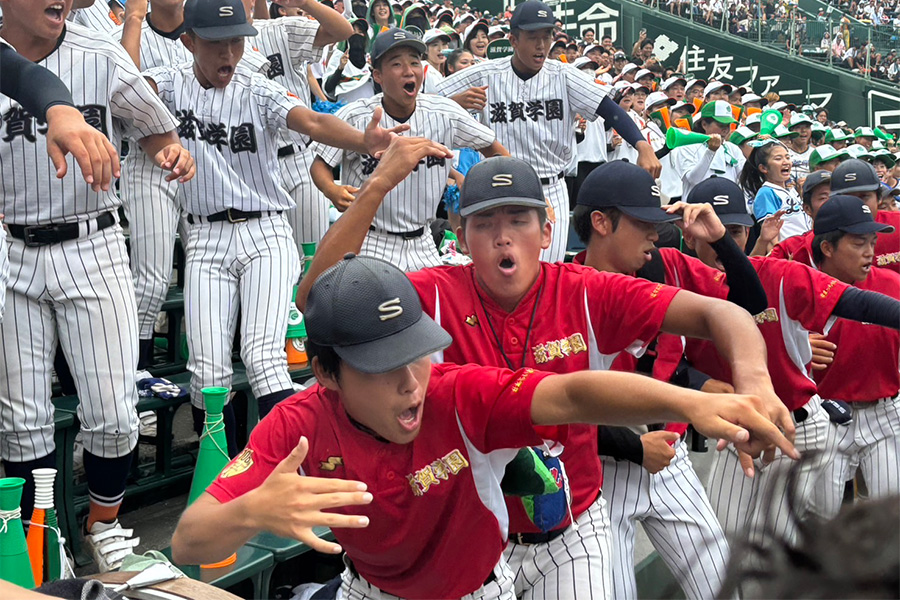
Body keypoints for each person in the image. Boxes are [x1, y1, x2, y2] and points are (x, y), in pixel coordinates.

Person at [293, 137, 797, 598]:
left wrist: (753, 382)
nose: (502, 238)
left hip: (572, 530)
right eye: (485, 223)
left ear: (545, 230)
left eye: (518, 220)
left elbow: (722, 313)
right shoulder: (435, 294)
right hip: (473, 539)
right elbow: (318, 299)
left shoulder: (584, 289)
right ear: (461, 238)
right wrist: (378, 185)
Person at [142, 0, 406, 428]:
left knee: (263, 358)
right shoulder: (170, 82)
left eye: (236, 41)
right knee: (207, 372)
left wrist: (362, 140)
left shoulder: (257, 86)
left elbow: (313, 123)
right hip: (206, 237)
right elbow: (126, 95)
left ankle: (277, 463)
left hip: (265, 231)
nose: (229, 52)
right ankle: (225, 474)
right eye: (216, 43)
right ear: (189, 41)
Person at [0, 0, 194, 572]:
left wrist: (168, 152)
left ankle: (102, 525)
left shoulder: (100, 53)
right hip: (13, 246)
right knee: (21, 420)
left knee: (112, 415)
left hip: (93, 241)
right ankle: (36, 536)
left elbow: (157, 127)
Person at [571, 167, 770, 600]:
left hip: (671, 454)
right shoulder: (562, 290)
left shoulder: (666, 263)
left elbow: (751, 304)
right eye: (642, 223)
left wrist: (719, 240)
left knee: (722, 585)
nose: (654, 235)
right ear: (601, 222)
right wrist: (633, 446)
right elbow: (564, 404)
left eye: (656, 223)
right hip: (601, 470)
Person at [681, 179, 900, 547]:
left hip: (801, 421)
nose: (725, 242)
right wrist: (701, 383)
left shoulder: (778, 274)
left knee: (778, 544)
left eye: (734, 232)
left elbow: (861, 304)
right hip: (740, 428)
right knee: (725, 544)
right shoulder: (675, 283)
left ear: (747, 232)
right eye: (715, 232)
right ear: (689, 237)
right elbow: (667, 362)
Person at [435, 0, 661, 263]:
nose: (541, 45)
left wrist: (642, 145)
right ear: (513, 40)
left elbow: (609, 109)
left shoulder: (564, 75)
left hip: (550, 186)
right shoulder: (486, 73)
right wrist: (454, 103)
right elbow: (425, 101)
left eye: (547, 36)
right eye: (532, 37)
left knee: (547, 272)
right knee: (501, 272)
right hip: (500, 186)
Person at [310, 28, 506, 272]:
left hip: (423, 242)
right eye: (397, 64)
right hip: (368, 239)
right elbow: (320, 164)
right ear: (378, 75)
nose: (408, 70)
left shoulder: (444, 112)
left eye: (414, 62)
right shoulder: (356, 115)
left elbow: (493, 149)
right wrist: (331, 189)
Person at [805, 195, 900, 519]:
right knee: (822, 518)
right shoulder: (799, 288)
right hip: (826, 416)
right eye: (859, 243)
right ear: (827, 247)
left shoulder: (891, 283)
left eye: (873, 242)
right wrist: (798, 344)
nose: (870, 251)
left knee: (891, 519)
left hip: (884, 412)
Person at [745, 140, 810, 241]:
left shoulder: (791, 190)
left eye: (788, 157)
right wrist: (779, 256)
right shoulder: (766, 193)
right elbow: (770, 238)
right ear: (763, 168)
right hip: (788, 253)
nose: (786, 162)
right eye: (778, 159)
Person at [680, 100, 744, 200]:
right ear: (704, 124)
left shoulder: (733, 148)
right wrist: (711, 151)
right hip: (696, 208)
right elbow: (694, 180)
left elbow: (744, 179)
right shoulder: (688, 147)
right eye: (721, 125)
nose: (725, 129)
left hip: (728, 207)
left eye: (728, 125)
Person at [787, 112, 815, 183]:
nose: (803, 130)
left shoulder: (815, 153)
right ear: (791, 131)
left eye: (807, 127)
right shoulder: (784, 153)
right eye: (798, 127)